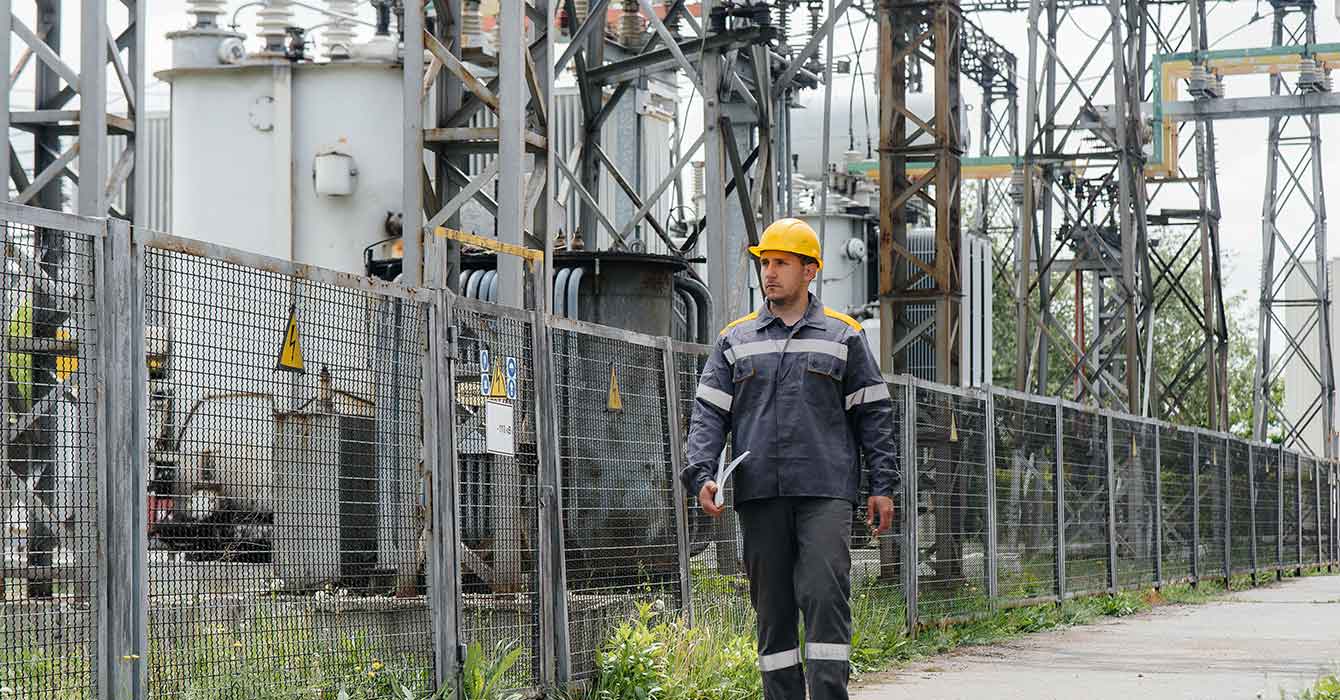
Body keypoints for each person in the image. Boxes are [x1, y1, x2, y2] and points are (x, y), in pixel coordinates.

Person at [683, 217, 899, 700]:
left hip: (825, 492)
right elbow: (708, 416)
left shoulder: (844, 335)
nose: (770, 273)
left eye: (781, 263)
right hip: (760, 495)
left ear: (810, 271)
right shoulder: (734, 340)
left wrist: (883, 486)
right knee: (772, 610)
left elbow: (875, 415)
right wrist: (701, 474)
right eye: (765, 263)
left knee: (824, 596)